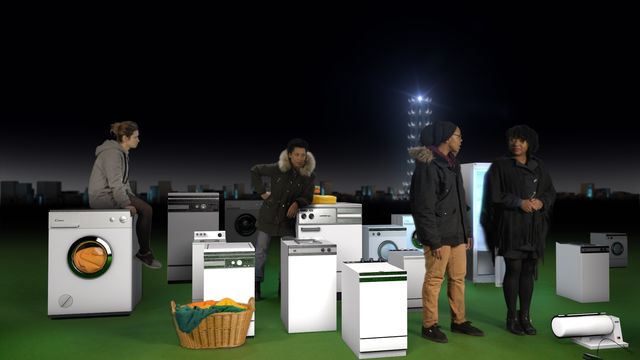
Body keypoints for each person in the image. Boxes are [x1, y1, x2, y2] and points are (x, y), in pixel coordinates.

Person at [409, 120, 484, 343]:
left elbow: (462, 202)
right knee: (434, 279)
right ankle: (429, 325)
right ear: (445, 137)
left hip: (457, 234)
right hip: (439, 237)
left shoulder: (453, 165)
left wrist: (467, 232)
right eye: (457, 135)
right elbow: (423, 207)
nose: (461, 140)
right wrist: (433, 240)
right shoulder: (428, 165)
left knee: (458, 279)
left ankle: (459, 321)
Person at [481, 125, 556, 336]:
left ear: (529, 143)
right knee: (513, 270)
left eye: (521, 140)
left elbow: (551, 192)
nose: (516, 143)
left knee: (528, 272)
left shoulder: (540, 165)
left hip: (534, 228)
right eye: (513, 139)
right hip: (512, 225)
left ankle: (525, 317)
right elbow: (494, 195)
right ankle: (511, 317)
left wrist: (542, 201)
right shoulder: (500, 165)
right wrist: (519, 202)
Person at [88, 121, 161, 269]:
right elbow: (115, 183)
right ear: (125, 138)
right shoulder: (113, 154)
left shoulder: (122, 153)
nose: (138, 140)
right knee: (146, 210)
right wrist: (125, 204)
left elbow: (124, 183)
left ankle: (140, 252)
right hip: (102, 197)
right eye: (135, 137)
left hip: (111, 193)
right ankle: (144, 253)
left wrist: (132, 199)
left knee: (144, 208)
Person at [250, 138, 316, 300]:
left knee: (287, 253)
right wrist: (262, 193)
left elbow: (308, 197)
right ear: (290, 155)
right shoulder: (278, 168)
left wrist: (297, 203)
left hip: (288, 220)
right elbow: (255, 170)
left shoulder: (309, 176)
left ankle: (283, 288)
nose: (301, 158)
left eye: (303, 155)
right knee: (260, 252)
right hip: (269, 217)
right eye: (297, 155)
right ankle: (256, 287)